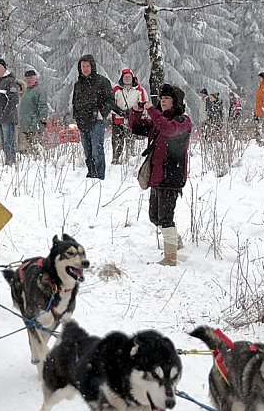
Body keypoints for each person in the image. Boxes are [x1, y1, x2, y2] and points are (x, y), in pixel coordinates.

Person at [129, 83, 192, 266]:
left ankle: (171, 257)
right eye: (162, 98)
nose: (163, 102)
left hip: (172, 176)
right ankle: (175, 240)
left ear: (176, 102)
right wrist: (136, 112)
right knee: (154, 217)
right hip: (157, 176)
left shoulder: (182, 121)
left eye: (167, 99)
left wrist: (152, 110)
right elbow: (136, 127)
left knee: (165, 217)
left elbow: (168, 129)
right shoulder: (158, 121)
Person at [72, 53, 115, 179]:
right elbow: (75, 102)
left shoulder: (102, 81)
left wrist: (101, 113)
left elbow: (110, 100)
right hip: (82, 121)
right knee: (87, 151)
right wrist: (76, 115)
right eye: (82, 66)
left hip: (97, 121)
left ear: (92, 66)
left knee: (97, 150)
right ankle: (91, 173)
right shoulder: (78, 84)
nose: (85, 69)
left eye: (87, 66)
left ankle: (99, 176)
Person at [110, 68, 147, 164]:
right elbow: (110, 105)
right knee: (117, 142)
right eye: (125, 77)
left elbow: (143, 104)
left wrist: (133, 113)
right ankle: (116, 160)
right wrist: (120, 112)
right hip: (117, 120)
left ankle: (129, 161)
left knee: (131, 142)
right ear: (122, 78)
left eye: (129, 77)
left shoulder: (139, 90)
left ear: (132, 78)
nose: (127, 79)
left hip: (132, 121)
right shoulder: (115, 90)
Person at [0, 58, 18, 166]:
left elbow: (14, 99)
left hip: (7, 119)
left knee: (8, 142)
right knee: (2, 143)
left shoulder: (10, 81)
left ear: (4, 68)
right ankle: (7, 161)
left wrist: (5, 113)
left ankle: (12, 162)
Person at [18, 69, 49, 155]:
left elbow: (43, 105)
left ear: (36, 79)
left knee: (36, 149)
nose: (29, 80)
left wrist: (43, 118)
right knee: (25, 151)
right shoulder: (25, 92)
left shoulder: (39, 91)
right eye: (27, 78)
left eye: (31, 78)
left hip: (35, 125)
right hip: (24, 126)